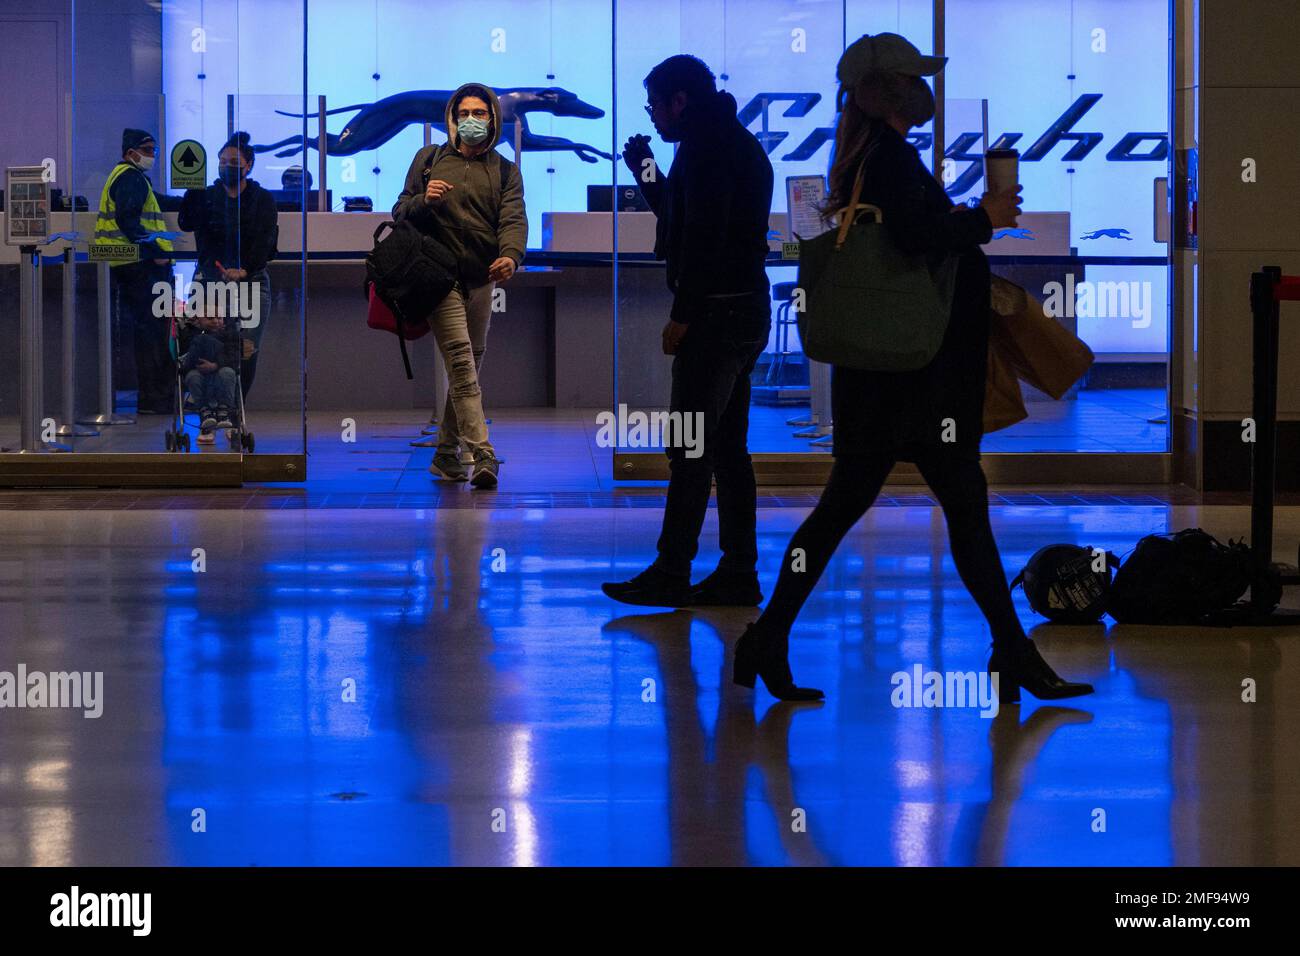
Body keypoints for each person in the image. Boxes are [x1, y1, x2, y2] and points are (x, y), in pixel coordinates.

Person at [734, 34, 1094, 704]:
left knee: (863, 508)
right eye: (910, 79)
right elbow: (916, 238)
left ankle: (769, 638)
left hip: (889, 376)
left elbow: (907, 237)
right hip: (919, 380)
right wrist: (982, 220)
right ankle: (1011, 653)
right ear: (886, 91)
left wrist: (967, 220)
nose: (922, 90)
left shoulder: (872, 157)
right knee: (956, 507)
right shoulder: (892, 158)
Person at [601, 55, 775, 609]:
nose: (652, 115)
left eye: (655, 104)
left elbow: (703, 240)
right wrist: (646, 169)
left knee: (691, 449)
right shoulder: (721, 142)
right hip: (742, 312)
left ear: (680, 101)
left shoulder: (708, 151)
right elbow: (679, 215)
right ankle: (737, 572)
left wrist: (683, 313)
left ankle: (674, 569)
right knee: (727, 451)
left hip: (715, 318)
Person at [393, 82, 527, 490]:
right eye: (464, 113)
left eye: (479, 113)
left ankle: (446, 454)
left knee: (467, 365)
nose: (471, 120)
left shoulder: (505, 170)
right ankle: (483, 452)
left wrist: (511, 255)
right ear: (452, 118)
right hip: (439, 278)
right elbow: (400, 212)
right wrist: (423, 201)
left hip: (481, 277)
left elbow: (513, 219)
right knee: (462, 362)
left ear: (493, 119)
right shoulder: (429, 159)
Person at [178, 131, 279, 400]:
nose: (226, 166)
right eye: (222, 160)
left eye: (234, 162)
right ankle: (207, 411)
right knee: (203, 345)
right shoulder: (205, 195)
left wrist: (244, 270)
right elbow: (185, 222)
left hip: (251, 283)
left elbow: (266, 241)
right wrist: (192, 184)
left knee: (244, 350)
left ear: (249, 166)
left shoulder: (262, 199)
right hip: (210, 281)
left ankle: (236, 412)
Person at [95, 128, 174, 415]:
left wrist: (193, 201)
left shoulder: (129, 177)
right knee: (152, 335)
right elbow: (129, 221)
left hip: (127, 266)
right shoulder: (130, 178)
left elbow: (155, 201)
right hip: (141, 267)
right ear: (131, 153)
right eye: (149, 150)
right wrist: (157, 254)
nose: (153, 155)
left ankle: (153, 399)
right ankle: (155, 399)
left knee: (147, 333)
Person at [179, 311, 240, 444]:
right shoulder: (191, 335)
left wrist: (215, 365)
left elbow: (233, 357)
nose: (215, 321)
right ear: (198, 319)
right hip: (198, 372)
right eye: (210, 318)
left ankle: (225, 412)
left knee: (228, 373)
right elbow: (186, 357)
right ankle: (205, 413)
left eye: (219, 317)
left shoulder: (229, 335)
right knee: (192, 376)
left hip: (220, 371)